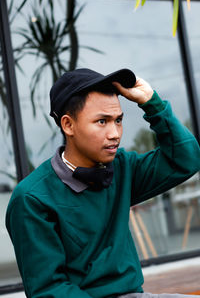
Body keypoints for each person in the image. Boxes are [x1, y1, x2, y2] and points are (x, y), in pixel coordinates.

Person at [6, 68, 200, 298]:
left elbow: (185, 158)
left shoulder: (122, 168)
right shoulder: (31, 198)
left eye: (118, 120)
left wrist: (152, 103)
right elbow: (49, 290)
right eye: (102, 121)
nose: (115, 133)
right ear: (68, 125)